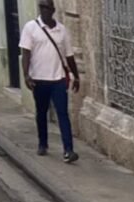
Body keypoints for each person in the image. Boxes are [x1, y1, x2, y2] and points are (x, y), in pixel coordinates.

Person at [20, 1, 80, 162]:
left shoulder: (62, 30)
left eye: (46, 7)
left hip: (58, 79)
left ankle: (68, 150)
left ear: (53, 10)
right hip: (39, 79)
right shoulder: (30, 28)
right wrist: (26, 75)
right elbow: (26, 53)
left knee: (63, 114)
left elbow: (69, 56)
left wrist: (76, 76)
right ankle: (42, 143)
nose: (43, 10)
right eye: (41, 7)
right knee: (41, 112)